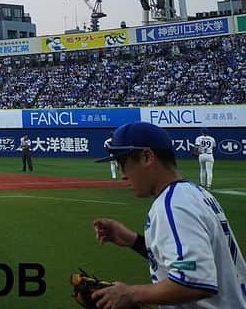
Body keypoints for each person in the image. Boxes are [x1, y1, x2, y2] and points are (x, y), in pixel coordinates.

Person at [92, 121, 246, 308]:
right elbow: (187, 262)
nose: (123, 174)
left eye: (123, 163)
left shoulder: (174, 205)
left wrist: (131, 294)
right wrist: (134, 241)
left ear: (147, 156)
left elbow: (195, 281)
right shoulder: (195, 193)